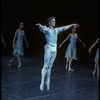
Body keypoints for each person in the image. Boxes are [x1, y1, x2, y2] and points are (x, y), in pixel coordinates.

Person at [36, 17, 79, 91]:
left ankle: (48, 80)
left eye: (55, 21)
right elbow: (42, 28)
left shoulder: (56, 30)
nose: (54, 22)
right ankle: (42, 82)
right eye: (53, 21)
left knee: (50, 66)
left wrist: (72, 24)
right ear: (49, 22)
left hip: (54, 48)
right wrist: (41, 26)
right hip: (48, 48)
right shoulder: (47, 29)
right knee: (46, 65)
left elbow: (64, 28)